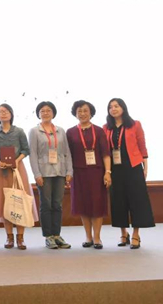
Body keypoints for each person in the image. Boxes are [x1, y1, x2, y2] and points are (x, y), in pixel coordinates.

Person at [103, 98, 154, 249]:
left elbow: (142, 146)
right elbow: (105, 150)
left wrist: (145, 167)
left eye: (116, 106)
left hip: (133, 167)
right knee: (118, 200)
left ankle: (136, 234)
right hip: (115, 169)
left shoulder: (135, 124)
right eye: (110, 107)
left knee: (137, 200)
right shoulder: (106, 127)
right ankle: (123, 233)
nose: (113, 109)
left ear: (123, 108)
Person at [0, 103, 38, 250]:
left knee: (19, 201)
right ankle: (9, 237)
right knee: (6, 202)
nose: (3, 113)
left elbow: (26, 149)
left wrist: (17, 160)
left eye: (6, 111)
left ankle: (20, 238)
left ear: (11, 114)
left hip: (17, 169)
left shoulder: (19, 131)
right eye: (0, 112)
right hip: (2, 171)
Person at [66, 100, 111, 249]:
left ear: (91, 112)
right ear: (75, 114)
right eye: (79, 111)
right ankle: (88, 237)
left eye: (85, 110)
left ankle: (97, 237)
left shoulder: (99, 131)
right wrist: (68, 174)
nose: (82, 114)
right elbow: (68, 155)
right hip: (78, 173)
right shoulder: (70, 132)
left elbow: (105, 154)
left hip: (97, 172)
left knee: (97, 205)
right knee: (83, 205)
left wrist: (108, 172)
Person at [28, 101, 73, 249]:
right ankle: (48, 236)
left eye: (48, 110)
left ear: (53, 113)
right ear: (38, 114)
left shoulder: (60, 131)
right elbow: (33, 154)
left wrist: (69, 171)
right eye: (42, 111)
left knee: (57, 205)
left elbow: (66, 152)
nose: (45, 113)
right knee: (46, 204)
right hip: (44, 173)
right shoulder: (35, 131)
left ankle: (57, 234)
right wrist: (37, 174)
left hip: (60, 172)